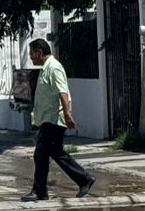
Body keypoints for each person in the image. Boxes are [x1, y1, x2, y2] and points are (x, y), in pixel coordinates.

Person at [23, 37, 93, 201]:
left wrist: (68, 114)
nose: (31, 57)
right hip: (49, 118)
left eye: (32, 54)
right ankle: (84, 180)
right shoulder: (46, 68)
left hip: (54, 119)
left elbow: (63, 92)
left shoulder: (54, 68)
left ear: (40, 52)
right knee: (54, 152)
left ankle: (39, 191)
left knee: (41, 153)